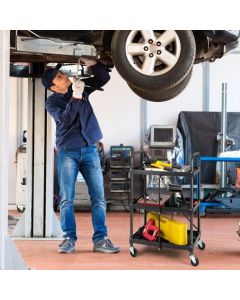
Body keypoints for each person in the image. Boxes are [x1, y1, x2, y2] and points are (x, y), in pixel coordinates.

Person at [41, 57, 120, 254]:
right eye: (59, 77)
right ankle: (69, 239)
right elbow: (66, 119)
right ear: (53, 86)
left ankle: (101, 240)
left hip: (90, 149)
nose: (65, 77)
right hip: (68, 152)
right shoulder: (51, 103)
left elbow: (103, 78)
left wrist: (92, 63)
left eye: (63, 73)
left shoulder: (81, 89)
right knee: (67, 198)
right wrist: (76, 96)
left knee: (99, 197)